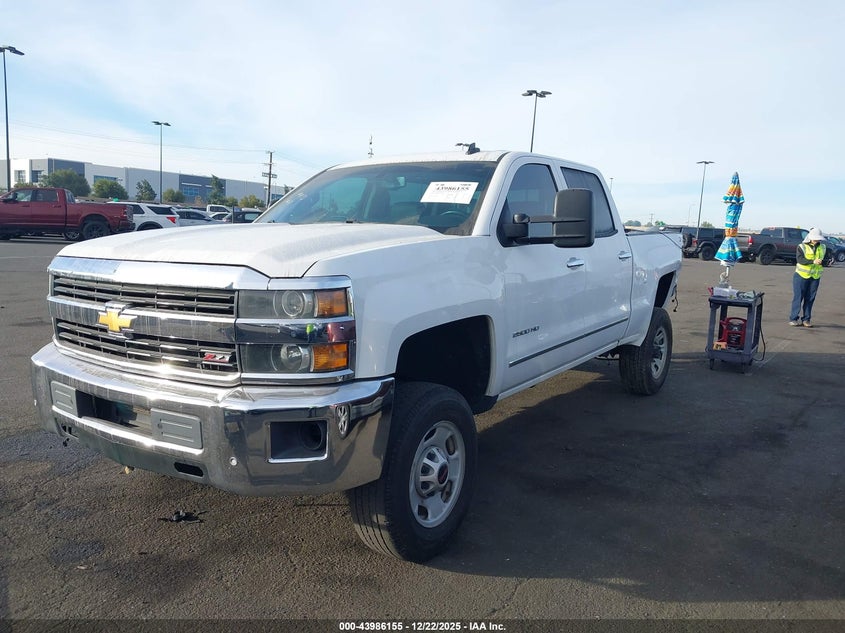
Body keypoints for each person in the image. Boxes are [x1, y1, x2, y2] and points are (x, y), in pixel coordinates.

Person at [789, 227, 827, 327]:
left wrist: (825, 262)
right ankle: (793, 318)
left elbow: (825, 259)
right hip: (801, 276)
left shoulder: (822, 247)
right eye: (815, 238)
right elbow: (800, 260)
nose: (817, 240)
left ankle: (806, 319)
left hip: (815, 276)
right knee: (798, 297)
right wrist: (812, 261)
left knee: (810, 298)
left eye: (818, 239)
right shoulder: (801, 246)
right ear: (810, 237)